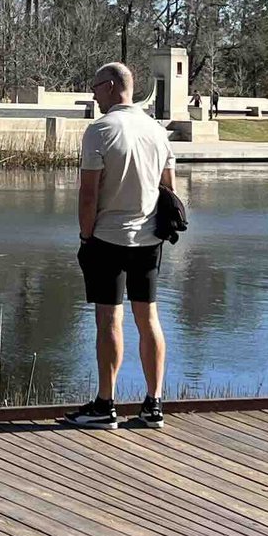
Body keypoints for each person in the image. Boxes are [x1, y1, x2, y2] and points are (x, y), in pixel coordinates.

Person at [66, 59, 175, 430]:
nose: (93, 94)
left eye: (95, 87)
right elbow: (169, 190)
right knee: (149, 319)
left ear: (111, 86)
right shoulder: (157, 131)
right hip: (149, 240)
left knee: (109, 318)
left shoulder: (100, 130)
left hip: (108, 237)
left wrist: (85, 236)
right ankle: (154, 403)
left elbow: (88, 194)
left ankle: (105, 404)